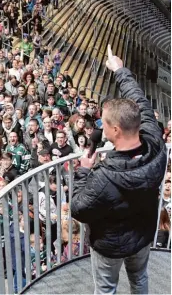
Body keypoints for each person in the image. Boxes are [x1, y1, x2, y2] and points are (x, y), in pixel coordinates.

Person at [71, 45, 168, 294]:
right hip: (143, 235)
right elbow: (139, 99)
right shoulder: (155, 141)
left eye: (104, 123)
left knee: (106, 289)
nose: (100, 126)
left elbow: (79, 208)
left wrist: (83, 171)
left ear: (115, 130)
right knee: (140, 280)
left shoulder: (106, 176)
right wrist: (119, 69)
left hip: (110, 245)